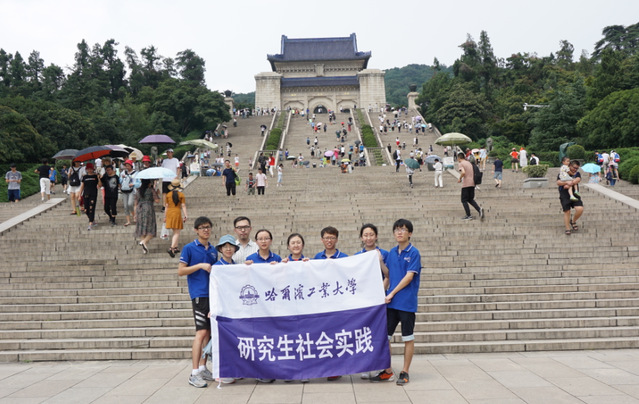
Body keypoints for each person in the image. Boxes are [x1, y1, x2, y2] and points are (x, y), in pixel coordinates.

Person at [370, 219, 421, 386]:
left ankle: (405, 371)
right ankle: (388, 371)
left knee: (408, 337)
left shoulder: (414, 252)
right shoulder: (392, 252)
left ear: (410, 233)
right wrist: (380, 262)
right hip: (391, 304)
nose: (399, 232)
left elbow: (409, 277)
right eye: (397, 230)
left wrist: (391, 292)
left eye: (403, 229)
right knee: (385, 337)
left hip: (406, 303)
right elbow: (389, 274)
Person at [178, 216, 218, 388]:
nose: (206, 230)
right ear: (196, 230)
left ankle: (203, 367)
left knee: (208, 333)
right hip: (199, 295)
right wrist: (200, 265)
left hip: (212, 295)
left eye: (208, 227)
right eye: (202, 228)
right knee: (201, 332)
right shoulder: (189, 248)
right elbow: (181, 271)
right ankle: (194, 373)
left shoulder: (213, 250)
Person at [557, 160, 584, 236]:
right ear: (570, 166)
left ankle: (573, 221)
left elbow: (577, 180)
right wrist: (566, 183)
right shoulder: (562, 173)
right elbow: (558, 182)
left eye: (577, 168)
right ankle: (567, 228)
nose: (575, 169)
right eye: (574, 168)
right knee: (567, 211)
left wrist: (568, 184)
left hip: (575, 194)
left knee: (580, 209)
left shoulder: (577, 173)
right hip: (564, 194)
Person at [135, 178, 160, 253]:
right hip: (148, 209)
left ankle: (144, 248)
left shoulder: (138, 191)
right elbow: (157, 200)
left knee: (142, 229)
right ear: (149, 183)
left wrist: (135, 214)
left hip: (140, 209)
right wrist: (157, 193)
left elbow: (135, 203)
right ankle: (144, 242)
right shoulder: (151, 190)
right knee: (151, 228)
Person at [165, 178, 188, 258]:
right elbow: (183, 206)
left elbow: (166, 206)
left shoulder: (168, 195)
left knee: (174, 231)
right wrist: (186, 215)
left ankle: (175, 247)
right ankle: (172, 248)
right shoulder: (181, 195)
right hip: (177, 212)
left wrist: (165, 216)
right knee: (177, 232)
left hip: (169, 213)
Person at [457, 153, 483, 221]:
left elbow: (463, 172)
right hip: (472, 183)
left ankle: (468, 215)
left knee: (464, 200)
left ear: (459, 158)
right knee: (470, 199)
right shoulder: (469, 163)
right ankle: (479, 210)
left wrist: (460, 178)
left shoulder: (461, 164)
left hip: (466, 184)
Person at [79, 163, 100, 230]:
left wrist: (99, 178)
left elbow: (100, 185)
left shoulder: (95, 176)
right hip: (85, 194)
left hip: (93, 194)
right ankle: (92, 220)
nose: (89, 170)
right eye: (88, 169)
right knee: (86, 210)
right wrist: (79, 195)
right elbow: (82, 186)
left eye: (91, 169)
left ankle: (90, 223)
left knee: (91, 208)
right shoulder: (85, 177)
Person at [119, 160, 136, 226]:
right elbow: (120, 181)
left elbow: (137, 182)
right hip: (124, 190)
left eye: (128, 165)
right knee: (125, 206)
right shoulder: (123, 172)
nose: (127, 167)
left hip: (131, 190)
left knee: (130, 204)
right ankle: (128, 221)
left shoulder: (135, 173)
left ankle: (134, 215)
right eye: (126, 165)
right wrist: (122, 178)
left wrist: (133, 184)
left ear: (131, 166)